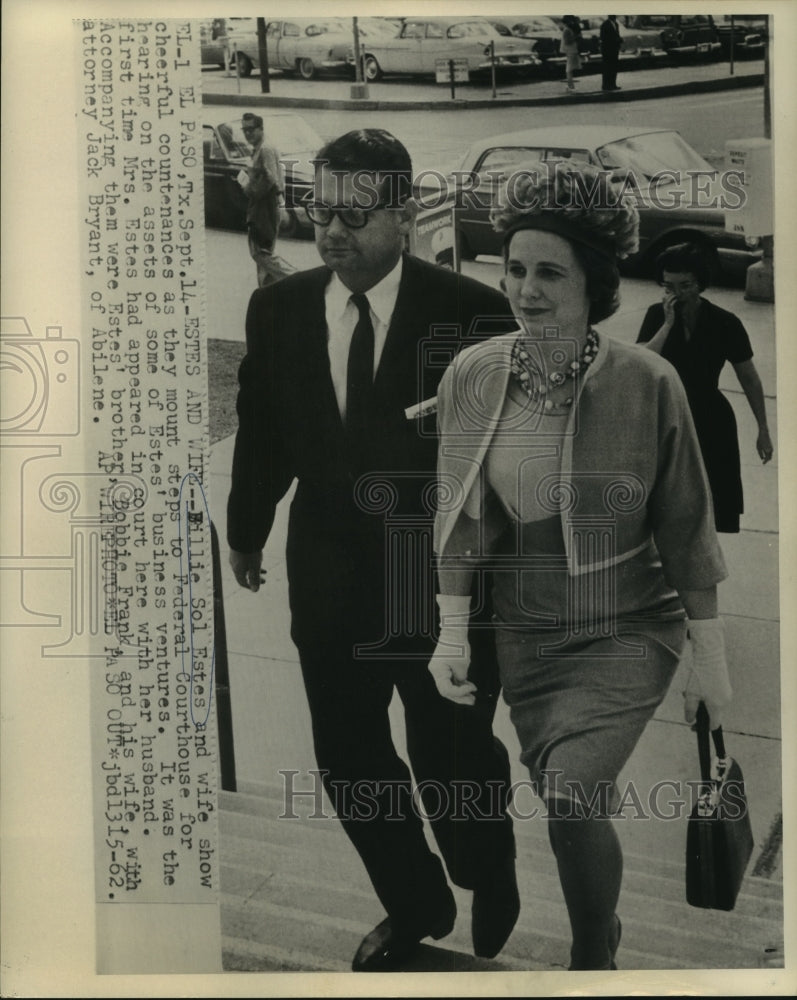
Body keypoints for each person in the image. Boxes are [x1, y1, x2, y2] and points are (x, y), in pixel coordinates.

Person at [227, 129, 520, 972]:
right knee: (348, 756)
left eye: (354, 215)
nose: (331, 231)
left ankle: (483, 864)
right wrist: (248, 529)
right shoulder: (279, 307)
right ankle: (415, 901)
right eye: (321, 210)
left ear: (402, 216)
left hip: (436, 577)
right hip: (324, 571)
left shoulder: (471, 314)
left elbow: (507, 457)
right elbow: (264, 427)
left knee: (450, 749)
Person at [428, 162, 732, 971]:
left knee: (569, 795)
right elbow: (458, 516)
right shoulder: (472, 373)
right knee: (561, 802)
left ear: (594, 284)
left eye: (548, 273)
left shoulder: (649, 382)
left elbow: (686, 529)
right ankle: (599, 930)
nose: (524, 290)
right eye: (514, 268)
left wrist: (711, 661)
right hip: (526, 631)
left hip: (628, 623)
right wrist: (451, 635)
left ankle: (592, 952)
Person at [637, 242, 774, 532]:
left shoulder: (726, 323)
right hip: (665, 413)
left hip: (711, 418)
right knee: (662, 502)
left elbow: (748, 377)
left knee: (710, 504)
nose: (677, 294)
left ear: (701, 284)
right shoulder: (656, 315)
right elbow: (642, 363)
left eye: (685, 285)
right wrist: (667, 324)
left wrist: (763, 429)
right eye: (669, 286)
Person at [240, 112, 292, 288]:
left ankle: (295, 277)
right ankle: (265, 293)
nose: (247, 134)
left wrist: (250, 188)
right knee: (264, 253)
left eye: (251, 130)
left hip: (265, 206)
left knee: (259, 252)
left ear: (261, 129)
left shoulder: (265, 149)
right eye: (244, 130)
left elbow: (271, 179)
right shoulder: (260, 148)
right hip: (264, 205)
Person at [600, 14, 622, 91]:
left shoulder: (616, 24)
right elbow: (603, 37)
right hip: (607, 50)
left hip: (614, 49)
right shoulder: (605, 24)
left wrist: (619, 40)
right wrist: (616, 40)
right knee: (607, 68)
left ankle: (613, 84)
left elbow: (617, 35)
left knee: (614, 67)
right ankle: (606, 85)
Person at [560, 16, 583, 93]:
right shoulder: (567, 30)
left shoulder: (568, 29)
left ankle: (570, 86)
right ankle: (571, 87)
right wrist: (577, 37)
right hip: (570, 50)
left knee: (570, 69)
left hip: (571, 50)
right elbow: (568, 41)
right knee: (569, 69)